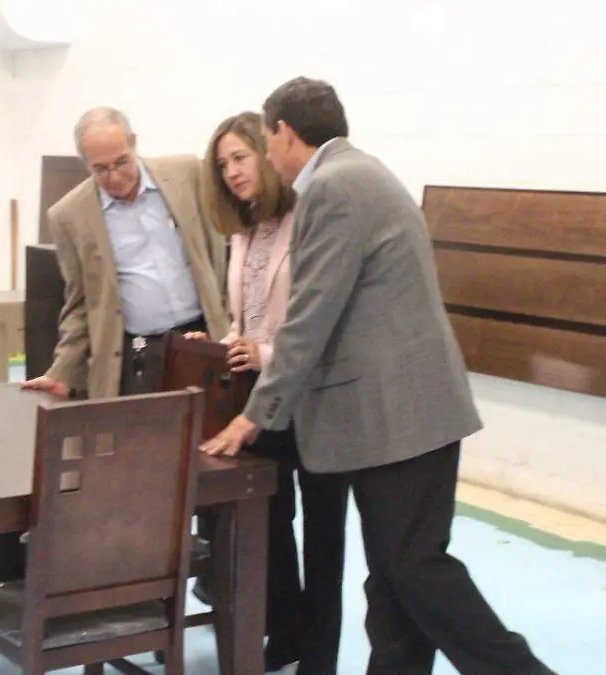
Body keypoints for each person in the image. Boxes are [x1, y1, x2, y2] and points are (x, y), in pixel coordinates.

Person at [201, 77, 556, 675]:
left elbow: (310, 317)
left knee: (415, 570)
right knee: (394, 576)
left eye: (263, 140)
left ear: (285, 133)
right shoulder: (358, 173)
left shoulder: (333, 188)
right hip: (400, 417)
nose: (261, 155)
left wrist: (254, 415)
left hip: (401, 419)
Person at [189, 111, 350, 674]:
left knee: (323, 535)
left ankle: (320, 658)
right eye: (222, 164)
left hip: (318, 393)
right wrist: (218, 346)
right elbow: (247, 319)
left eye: (240, 157)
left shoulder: (310, 217)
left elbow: (321, 321)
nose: (232, 172)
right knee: (271, 524)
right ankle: (285, 635)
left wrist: (264, 352)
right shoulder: (243, 229)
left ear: (267, 152)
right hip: (260, 398)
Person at [21, 106, 229, 400]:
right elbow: (80, 304)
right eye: (100, 169)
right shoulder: (69, 216)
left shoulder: (186, 174)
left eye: (122, 162)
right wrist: (63, 371)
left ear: (133, 142)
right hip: (138, 353)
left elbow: (219, 253)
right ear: (85, 163)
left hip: (205, 336)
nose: (115, 177)